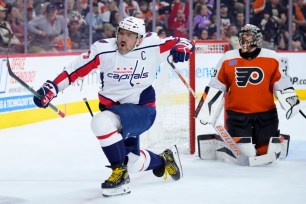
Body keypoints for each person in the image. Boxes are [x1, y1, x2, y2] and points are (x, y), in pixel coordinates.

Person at [32, 16, 194, 197]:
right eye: (121, 33)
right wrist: (51, 88)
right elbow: (73, 71)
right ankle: (164, 160)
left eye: (130, 35)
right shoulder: (103, 50)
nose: (123, 38)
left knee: (101, 123)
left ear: (139, 39)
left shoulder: (153, 45)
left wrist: (183, 48)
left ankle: (120, 176)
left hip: (142, 110)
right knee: (132, 162)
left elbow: (184, 42)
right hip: (115, 111)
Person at [196, 24, 300, 162]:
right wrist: (206, 109)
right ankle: (228, 145)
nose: (246, 40)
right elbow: (216, 85)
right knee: (245, 155)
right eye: (243, 36)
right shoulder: (228, 58)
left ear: (257, 39)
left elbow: (281, 83)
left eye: (249, 36)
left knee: (265, 155)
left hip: (266, 116)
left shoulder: (271, 58)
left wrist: (291, 102)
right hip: (238, 116)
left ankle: (272, 142)